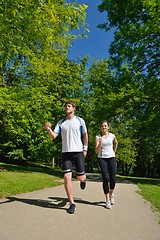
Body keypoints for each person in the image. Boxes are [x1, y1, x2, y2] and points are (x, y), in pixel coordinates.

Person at [44, 101, 88, 214]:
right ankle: (72, 203)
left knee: (80, 178)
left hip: (78, 152)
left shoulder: (80, 120)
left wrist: (85, 148)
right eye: (65, 106)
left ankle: (83, 179)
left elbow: (85, 135)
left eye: (69, 106)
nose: (66, 108)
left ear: (73, 108)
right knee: (67, 177)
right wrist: (48, 129)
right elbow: (53, 136)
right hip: (66, 153)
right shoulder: (61, 122)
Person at [95, 120, 118, 209]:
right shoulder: (98, 137)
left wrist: (114, 152)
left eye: (105, 126)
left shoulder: (112, 136)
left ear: (108, 127)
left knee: (113, 178)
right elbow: (96, 151)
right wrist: (100, 143)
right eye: (102, 126)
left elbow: (116, 143)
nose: (104, 127)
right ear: (101, 128)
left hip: (111, 157)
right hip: (102, 158)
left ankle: (111, 194)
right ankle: (107, 200)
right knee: (105, 178)